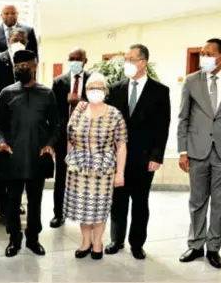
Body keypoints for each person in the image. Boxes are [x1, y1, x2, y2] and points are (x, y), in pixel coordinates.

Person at [177, 38, 221, 268]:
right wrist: (182, 150)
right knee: (197, 201)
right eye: (202, 53)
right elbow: (183, 117)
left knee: (220, 202)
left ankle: (214, 248)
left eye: (209, 53)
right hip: (197, 150)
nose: (204, 57)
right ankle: (195, 245)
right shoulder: (191, 81)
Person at [96, 44, 170, 260]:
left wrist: (157, 156)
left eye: (131, 59)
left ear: (143, 62)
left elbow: (162, 126)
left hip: (144, 157)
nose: (126, 63)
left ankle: (137, 243)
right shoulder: (116, 88)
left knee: (140, 202)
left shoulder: (159, 91)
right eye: (125, 59)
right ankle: (116, 240)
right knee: (118, 201)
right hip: (117, 157)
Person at [0, 50, 58, 257]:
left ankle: (33, 239)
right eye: (17, 65)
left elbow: (56, 125)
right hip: (12, 157)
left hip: (37, 157)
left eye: (25, 65)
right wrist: (1, 142)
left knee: (35, 201)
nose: (21, 69)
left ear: (34, 66)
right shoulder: (7, 93)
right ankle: (14, 239)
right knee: (12, 201)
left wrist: (50, 144)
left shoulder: (47, 94)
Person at [64, 72, 127, 260]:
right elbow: (70, 138)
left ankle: (98, 242)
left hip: (104, 168)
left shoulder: (114, 114)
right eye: (91, 88)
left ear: (106, 91)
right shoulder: (79, 110)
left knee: (99, 208)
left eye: (99, 88)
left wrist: (120, 173)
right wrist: (69, 161)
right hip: (79, 168)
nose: (95, 91)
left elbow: (121, 145)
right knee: (83, 207)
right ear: (86, 90)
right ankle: (85, 242)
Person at [0, 28, 29, 218]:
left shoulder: (29, 62)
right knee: (0, 168)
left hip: (21, 126)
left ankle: (16, 204)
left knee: (18, 168)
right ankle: (3, 207)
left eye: (22, 39)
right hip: (0, 123)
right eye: (15, 39)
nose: (18, 42)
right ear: (9, 41)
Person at [50, 47, 90, 229]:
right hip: (64, 137)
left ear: (85, 61)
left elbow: (101, 104)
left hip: (86, 137)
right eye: (71, 58)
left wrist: (80, 100)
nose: (74, 61)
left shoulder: (93, 81)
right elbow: (52, 109)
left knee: (86, 176)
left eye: (77, 59)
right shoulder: (59, 82)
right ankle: (58, 214)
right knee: (62, 176)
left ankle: (85, 214)